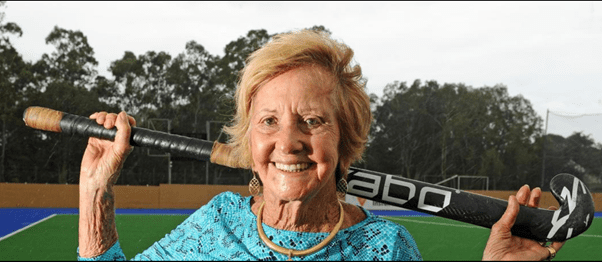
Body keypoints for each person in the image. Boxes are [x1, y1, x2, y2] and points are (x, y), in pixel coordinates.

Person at [77, 29, 563, 261]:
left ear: (346, 140)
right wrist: (94, 193)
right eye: (268, 120)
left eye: (311, 120)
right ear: (251, 138)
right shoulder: (216, 224)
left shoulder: (385, 249)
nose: (288, 143)